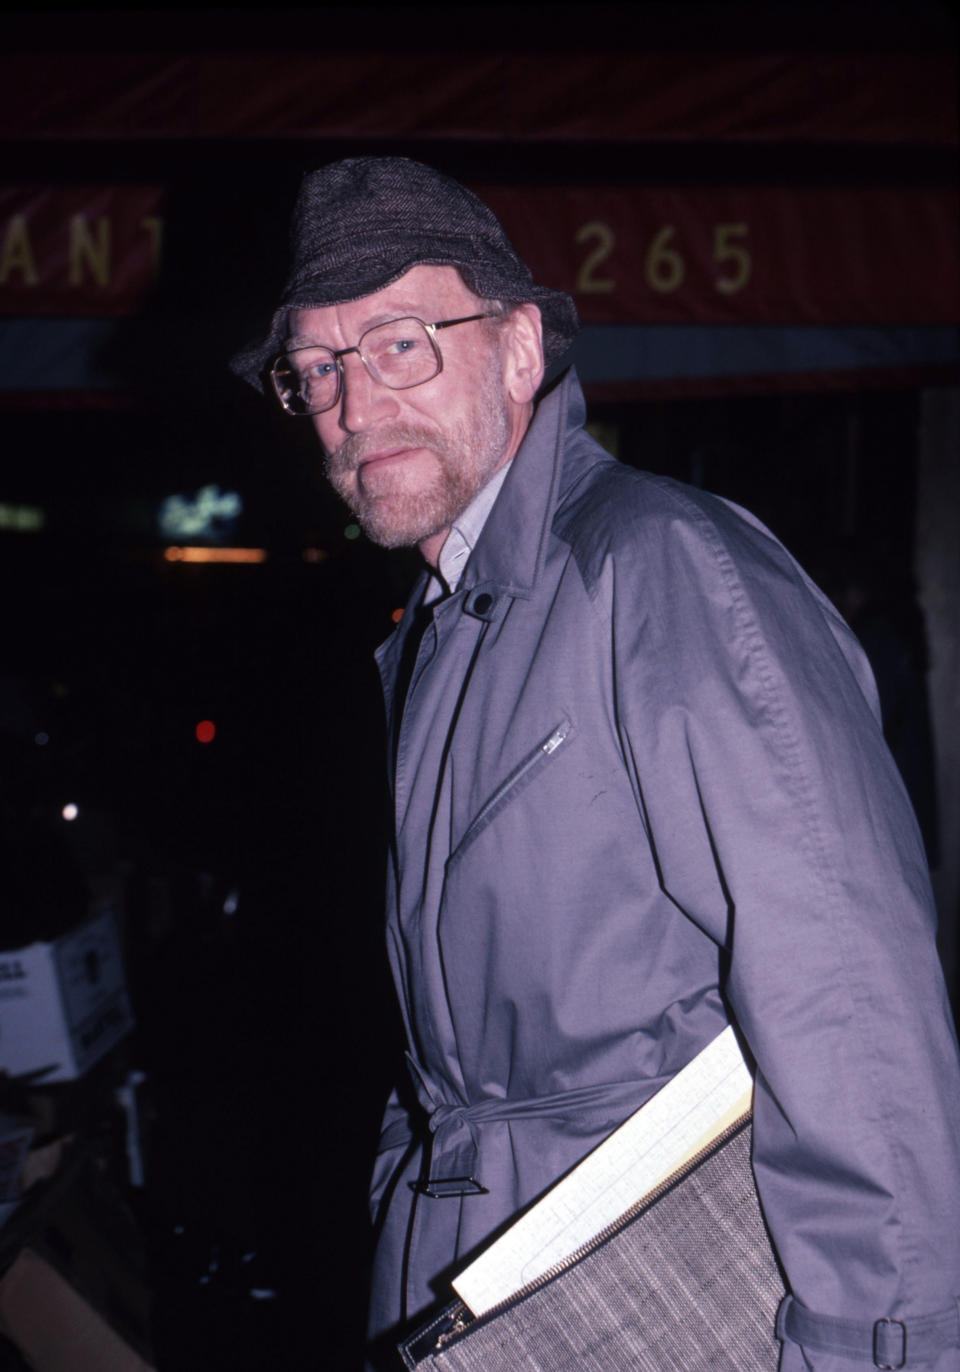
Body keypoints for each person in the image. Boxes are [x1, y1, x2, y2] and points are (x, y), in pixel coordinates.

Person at [232, 157, 960, 1371]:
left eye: (401, 344)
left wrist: (877, 1346)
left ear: (520, 351)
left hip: (648, 1295)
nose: (352, 408)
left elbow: (850, 1002)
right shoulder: (446, 626)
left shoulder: (661, 569)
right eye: (316, 369)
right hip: (485, 1294)